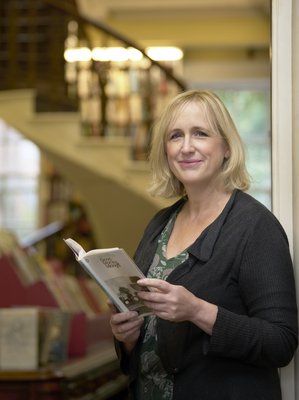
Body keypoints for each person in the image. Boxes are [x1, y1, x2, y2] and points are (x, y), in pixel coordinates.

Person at [109, 89, 298, 400]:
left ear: (225, 147)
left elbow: (280, 342)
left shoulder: (256, 227)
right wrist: (125, 336)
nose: (186, 147)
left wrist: (196, 310)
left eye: (200, 133)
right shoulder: (159, 224)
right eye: (175, 136)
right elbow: (146, 338)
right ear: (165, 151)